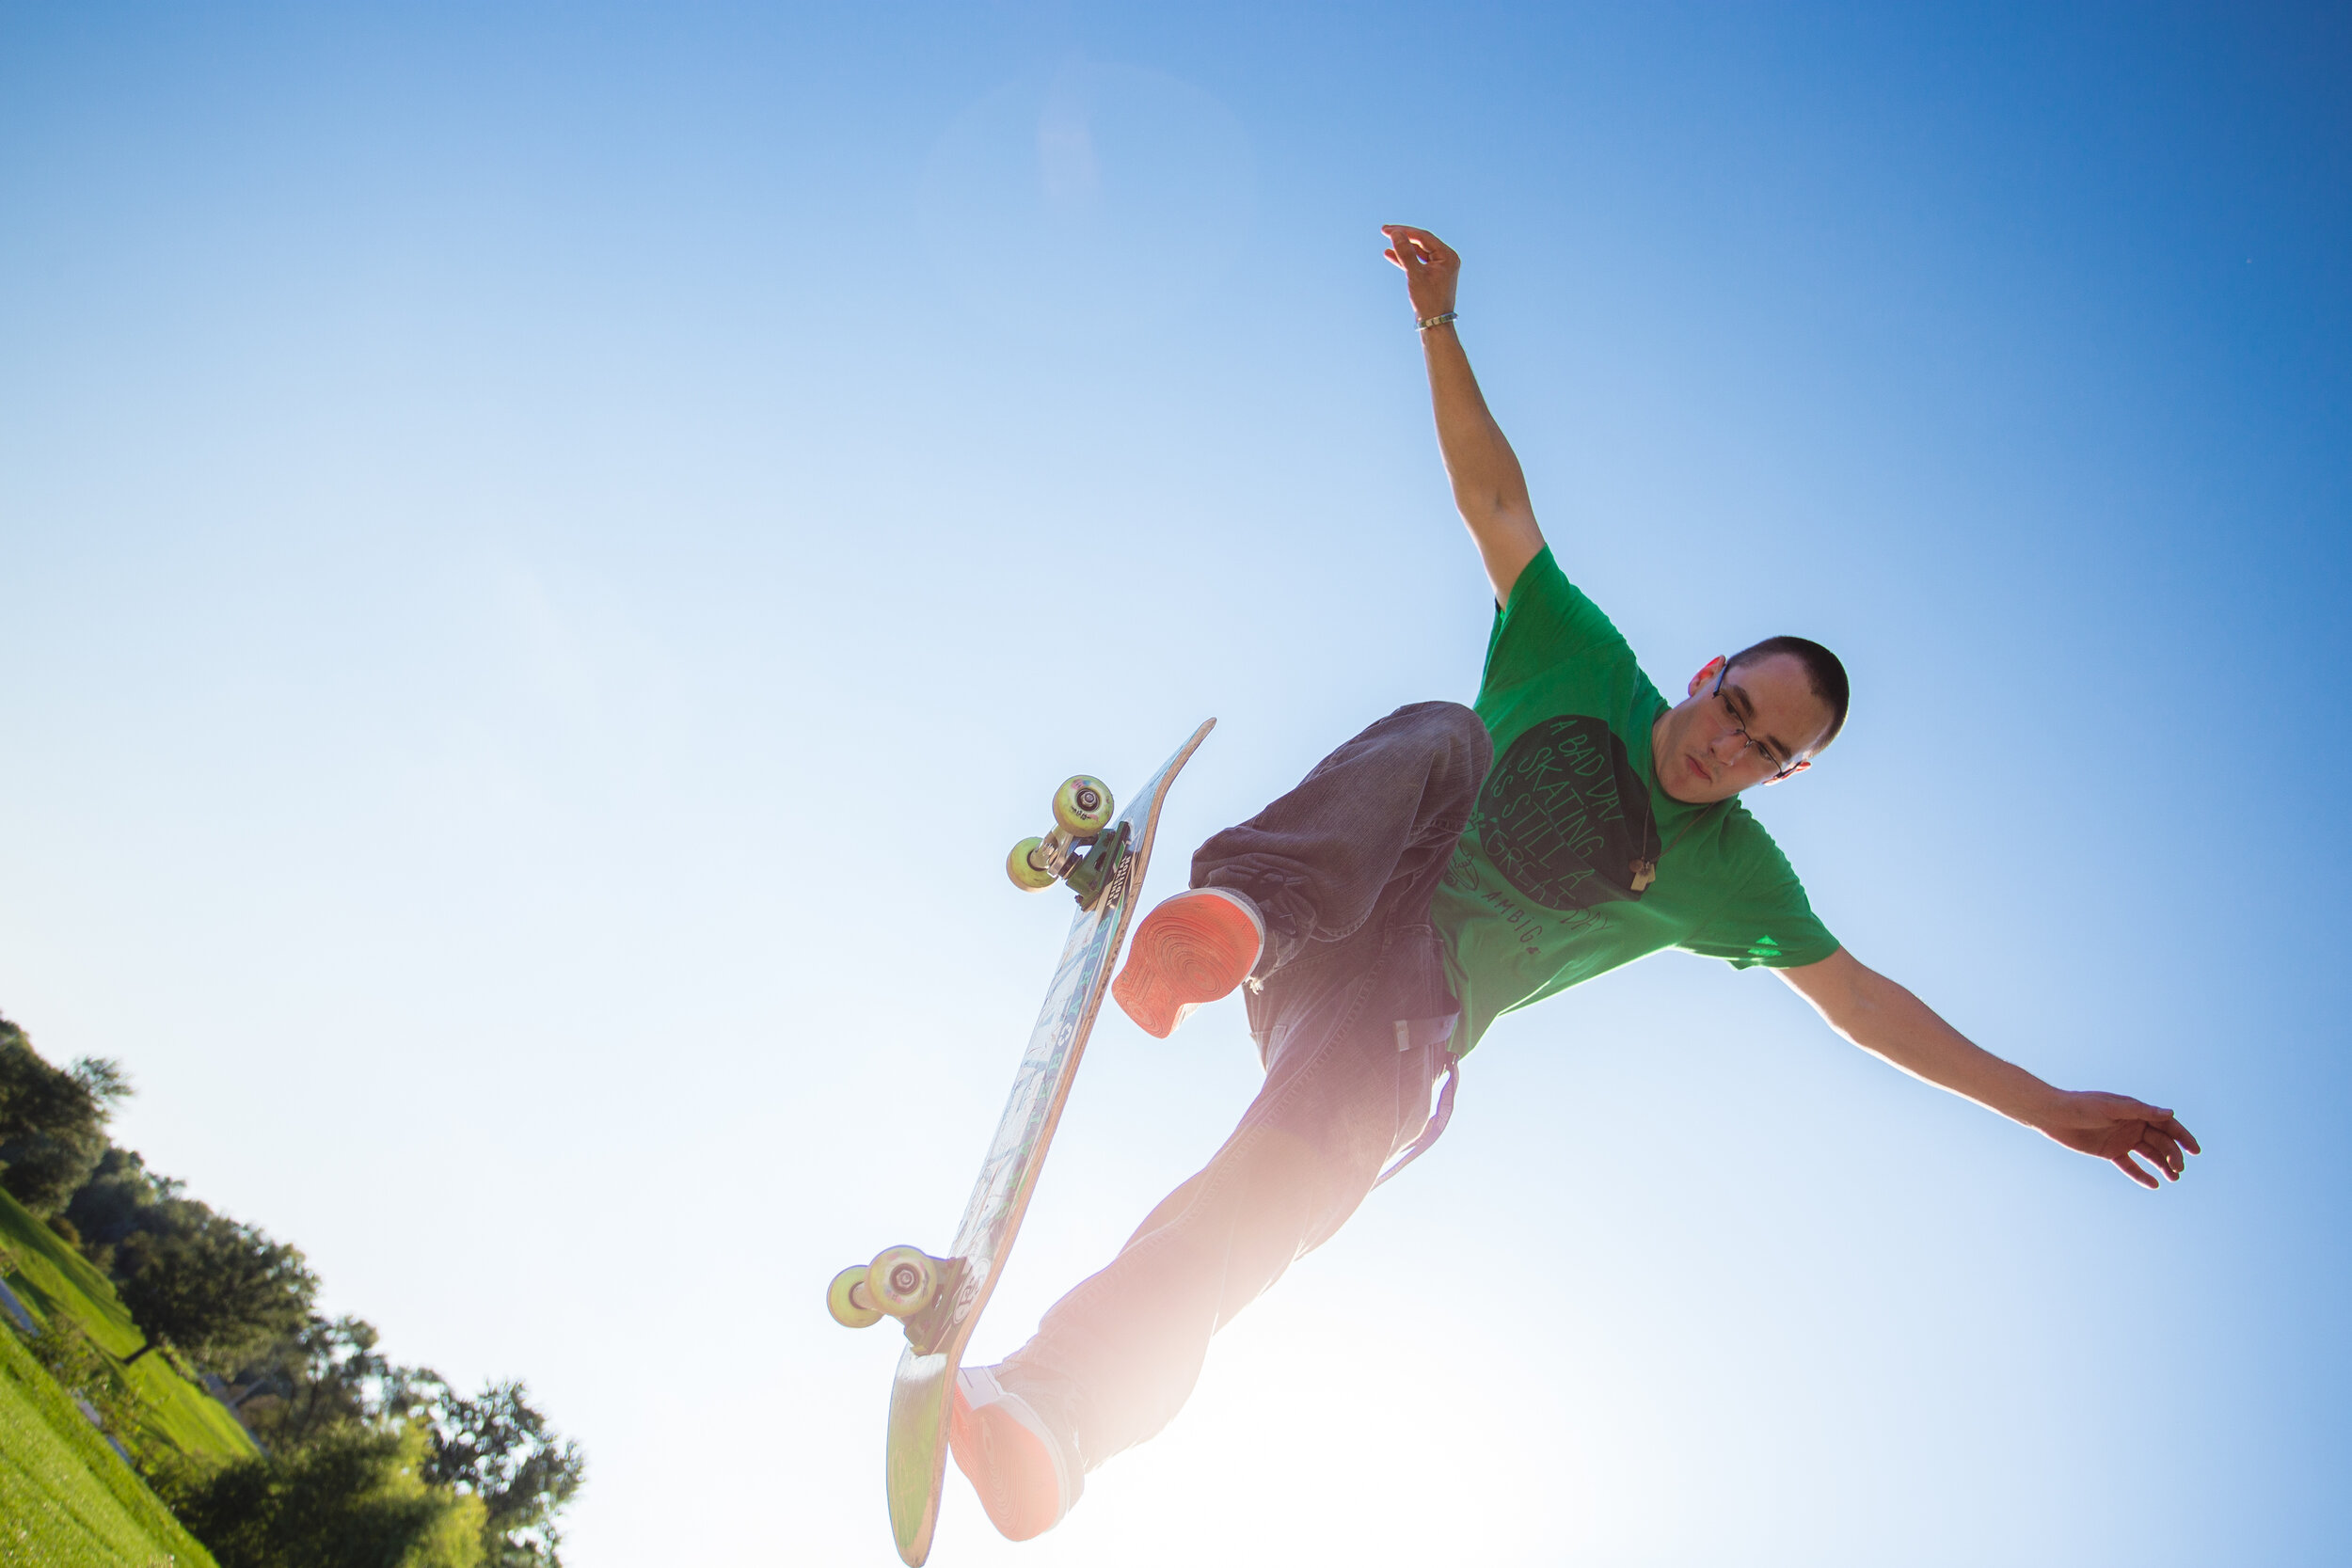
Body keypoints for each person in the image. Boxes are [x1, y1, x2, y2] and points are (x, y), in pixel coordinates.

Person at [945, 225, 2201, 1542]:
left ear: (1785, 779)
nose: (1728, 749)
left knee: (1254, 1221)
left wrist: (2045, 1103)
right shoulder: (1580, 651)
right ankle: (1238, 922)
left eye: (1767, 755)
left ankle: (1050, 1412)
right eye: (1737, 709)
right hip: (1345, 906)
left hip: (1389, 1031)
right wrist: (1438, 322)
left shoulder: (1732, 877)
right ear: (1711, 671)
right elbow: (1494, 498)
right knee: (1447, 734)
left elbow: (1866, 1006)